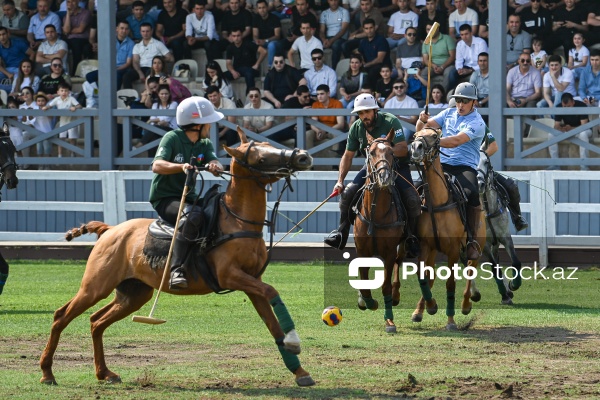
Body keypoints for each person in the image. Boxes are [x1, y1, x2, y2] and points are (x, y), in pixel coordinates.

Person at [324, 93, 421, 257]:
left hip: (397, 166)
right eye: (360, 113)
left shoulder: (390, 121)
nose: (364, 116)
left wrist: (384, 150)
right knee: (347, 193)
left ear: (375, 110)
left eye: (367, 112)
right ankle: (341, 232)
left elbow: (403, 148)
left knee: (411, 197)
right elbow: (348, 156)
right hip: (372, 168)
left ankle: (411, 237)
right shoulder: (357, 127)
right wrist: (340, 181)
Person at [148, 96, 224, 289]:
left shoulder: (204, 144)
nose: (211, 126)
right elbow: (157, 165)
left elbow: (215, 161)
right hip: (165, 199)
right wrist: (180, 166)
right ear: (197, 124)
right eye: (209, 123)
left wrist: (214, 166)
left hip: (189, 197)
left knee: (216, 211)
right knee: (192, 216)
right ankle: (177, 270)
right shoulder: (172, 138)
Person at [416, 82, 486, 260]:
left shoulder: (477, 122)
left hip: (464, 167)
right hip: (442, 164)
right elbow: (423, 129)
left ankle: (471, 240)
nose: (460, 105)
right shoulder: (448, 113)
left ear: (474, 103)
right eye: (458, 101)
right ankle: (411, 236)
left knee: (472, 193)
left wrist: (434, 140)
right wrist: (422, 120)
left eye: (465, 101)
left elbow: (456, 141)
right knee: (414, 190)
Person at [481, 128, 529, 231]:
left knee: (510, 186)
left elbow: (494, 147)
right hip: (463, 170)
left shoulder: (481, 125)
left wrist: (480, 157)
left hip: (482, 169)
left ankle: (517, 218)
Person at [548, 92, 592, 171]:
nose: (566, 109)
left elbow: (584, 126)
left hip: (582, 130)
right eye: (564, 106)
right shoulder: (559, 107)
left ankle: (584, 166)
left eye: (569, 106)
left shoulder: (581, 105)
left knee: (583, 134)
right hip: (568, 129)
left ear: (573, 102)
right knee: (551, 135)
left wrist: (571, 128)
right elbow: (556, 125)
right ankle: (555, 165)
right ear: (561, 103)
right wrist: (561, 128)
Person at [123, 22, 174, 89]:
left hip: (153, 68)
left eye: (147, 31)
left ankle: (149, 94)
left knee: (150, 75)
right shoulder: (137, 46)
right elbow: (135, 61)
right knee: (126, 76)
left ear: (151, 31)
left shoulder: (158, 44)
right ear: (140, 32)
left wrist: (159, 61)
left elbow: (171, 58)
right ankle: (130, 97)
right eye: (143, 31)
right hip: (141, 68)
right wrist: (140, 73)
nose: (145, 33)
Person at [42, 82, 82, 158]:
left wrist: (75, 108)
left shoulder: (71, 99)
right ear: (58, 92)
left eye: (66, 91)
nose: (64, 92)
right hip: (63, 121)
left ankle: (72, 153)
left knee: (72, 138)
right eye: (62, 90)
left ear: (69, 92)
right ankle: (60, 154)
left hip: (71, 121)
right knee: (61, 138)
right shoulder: (57, 99)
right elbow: (49, 105)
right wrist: (46, 107)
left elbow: (79, 105)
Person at [224, 27, 267, 95]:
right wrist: (233, 71)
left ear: (241, 35)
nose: (236, 38)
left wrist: (257, 64)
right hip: (238, 70)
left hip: (251, 69)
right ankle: (226, 95)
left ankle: (250, 95)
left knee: (248, 73)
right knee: (222, 75)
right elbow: (228, 63)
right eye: (234, 36)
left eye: (238, 35)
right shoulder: (230, 47)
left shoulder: (249, 44)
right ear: (231, 37)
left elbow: (263, 51)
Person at [140, 84, 178, 156]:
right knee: (153, 141)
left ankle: (140, 143)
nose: (164, 96)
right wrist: (156, 121)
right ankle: (152, 164)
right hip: (157, 130)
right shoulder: (155, 105)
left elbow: (167, 119)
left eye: (166, 94)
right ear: (158, 94)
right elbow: (153, 118)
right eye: (162, 94)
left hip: (171, 129)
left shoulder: (174, 104)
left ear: (169, 94)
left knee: (155, 128)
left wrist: (152, 121)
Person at [419, 22, 457, 94]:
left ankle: (443, 95)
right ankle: (428, 96)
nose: (430, 31)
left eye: (432, 29)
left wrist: (442, 67)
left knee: (449, 73)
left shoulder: (447, 38)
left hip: (447, 65)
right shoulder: (425, 42)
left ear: (437, 29)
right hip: (433, 66)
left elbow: (452, 57)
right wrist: (433, 66)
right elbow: (426, 60)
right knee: (423, 73)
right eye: (428, 29)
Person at [62, 0, 92, 74]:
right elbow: (66, 30)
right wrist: (68, 14)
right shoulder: (66, 15)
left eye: (73, 1)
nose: (70, 4)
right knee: (61, 44)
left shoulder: (85, 13)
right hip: (69, 39)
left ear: (78, 2)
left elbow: (80, 29)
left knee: (76, 43)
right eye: (68, 2)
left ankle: (75, 72)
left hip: (82, 39)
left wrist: (68, 31)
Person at [319, 0, 350, 69]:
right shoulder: (324, 13)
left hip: (340, 37)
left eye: (335, 0)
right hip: (328, 37)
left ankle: (333, 69)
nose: (334, 2)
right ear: (328, 1)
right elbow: (321, 31)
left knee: (336, 45)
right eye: (331, 0)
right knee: (316, 43)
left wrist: (331, 41)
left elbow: (343, 30)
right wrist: (324, 40)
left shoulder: (344, 12)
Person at [252, 0, 282, 68]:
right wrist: (257, 40)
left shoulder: (275, 18)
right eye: (260, 8)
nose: (262, 10)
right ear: (257, 9)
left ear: (267, 8)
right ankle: (252, 68)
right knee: (249, 44)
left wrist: (265, 41)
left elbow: (277, 36)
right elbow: (255, 35)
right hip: (262, 42)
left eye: (263, 7)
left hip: (274, 42)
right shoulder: (256, 19)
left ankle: (270, 68)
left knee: (271, 45)